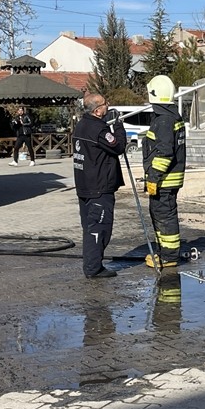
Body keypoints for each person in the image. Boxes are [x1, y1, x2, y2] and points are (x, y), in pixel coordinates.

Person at [72, 93, 127, 279]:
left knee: (90, 227)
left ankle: (93, 264)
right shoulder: (98, 129)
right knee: (99, 228)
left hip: (85, 185)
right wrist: (118, 125)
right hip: (99, 187)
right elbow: (118, 146)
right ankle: (93, 268)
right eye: (105, 104)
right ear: (97, 111)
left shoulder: (81, 125)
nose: (108, 105)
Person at [141, 75, 187, 269]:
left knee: (165, 218)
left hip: (164, 181)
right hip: (168, 179)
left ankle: (168, 257)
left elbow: (164, 152)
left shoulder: (164, 120)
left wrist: (153, 177)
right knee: (160, 215)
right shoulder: (171, 116)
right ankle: (164, 252)